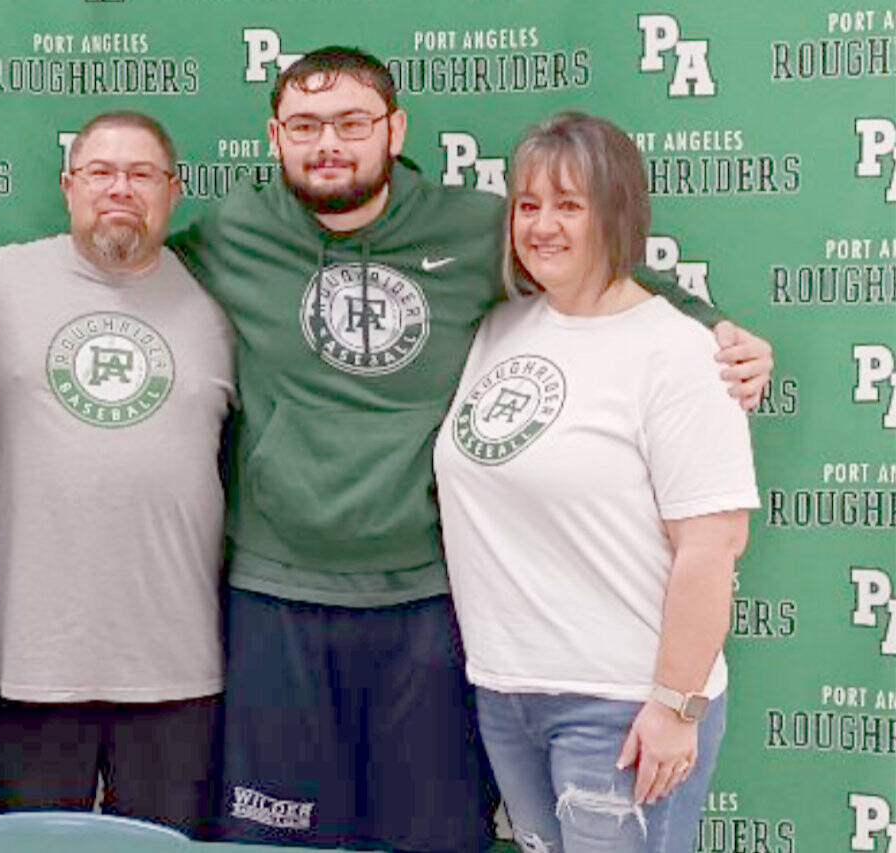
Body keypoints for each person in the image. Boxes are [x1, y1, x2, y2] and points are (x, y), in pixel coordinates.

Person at [169, 48, 771, 852]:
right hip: (279, 587)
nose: (329, 145)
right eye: (306, 126)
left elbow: (601, 273)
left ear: (395, 129)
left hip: (432, 603)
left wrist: (713, 326)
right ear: (274, 135)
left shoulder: (482, 225)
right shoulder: (235, 229)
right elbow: (136, 277)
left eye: (353, 123)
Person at [434, 112, 758, 853]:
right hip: (506, 691)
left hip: (621, 702)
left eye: (569, 205)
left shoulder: (679, 353)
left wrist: (676, 708)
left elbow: (711, 546)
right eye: (527, 205)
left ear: (617, 213)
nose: (543, 225)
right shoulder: (500, 329)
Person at [0, 111, 233, 836]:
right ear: (69, 185)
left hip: (179, 664)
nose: (120, 189)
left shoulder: (223, 300)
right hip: (32, 660)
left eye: (141, 174)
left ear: (174, 189)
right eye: (101, 172)